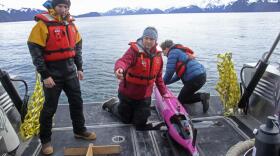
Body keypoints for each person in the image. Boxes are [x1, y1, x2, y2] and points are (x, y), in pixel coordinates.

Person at [27, 0, 96, 154]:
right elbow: (35, 50)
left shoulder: (71, 24)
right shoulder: (42, 25)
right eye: (60, 6)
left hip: (71, 72)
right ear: (53, 6)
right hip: (52, 75)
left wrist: (80, 68)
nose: (63, 9)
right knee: (49, 108)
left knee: (77, 102)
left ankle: (79, 130)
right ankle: (45, 140)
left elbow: (78, 47)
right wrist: (45, 75)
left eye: (66, 7)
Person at [102, 27, 169, 130]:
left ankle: (136, 113)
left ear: (155, 41)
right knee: (125, 120)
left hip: (144, 96)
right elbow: (123, 61)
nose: (148, 41)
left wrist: (164, 93)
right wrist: (119, 69)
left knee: (140, 124)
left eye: (151, 39)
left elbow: (158, 77)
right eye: (146, 38)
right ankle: (112, 104)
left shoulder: (158, 56)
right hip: (127, 93)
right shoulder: (134, 51)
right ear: (142, 38)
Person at [160, 40, 210, 113]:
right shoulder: (180, 51)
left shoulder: (172, 53)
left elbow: (169, 72)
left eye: (163, 51)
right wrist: (166, 82)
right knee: (186, 96)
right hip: (202, 76)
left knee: (181, 100)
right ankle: (200, 97)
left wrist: (161, 83)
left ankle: (202, 96)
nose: (163, 55)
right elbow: (178, 76)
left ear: (167, 48)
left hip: (194, 79)